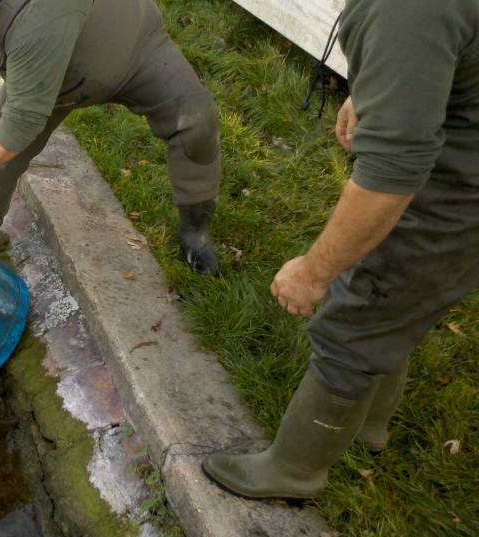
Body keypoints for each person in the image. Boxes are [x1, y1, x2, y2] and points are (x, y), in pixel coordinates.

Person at [203, 0, 479, 499]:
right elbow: (438, 53)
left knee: (359, 315)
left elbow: (389, 179)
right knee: (400, 311)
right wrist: (383, 86)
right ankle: (370, 427)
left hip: (455, 199)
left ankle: (294, 469)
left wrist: (313, 272)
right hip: (461, 153)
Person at [0, 0, 222, 274]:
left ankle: (196, 228)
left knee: (196, 119)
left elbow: (21, 121)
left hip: (131, 49)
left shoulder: (34, 9)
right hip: (47, 82)